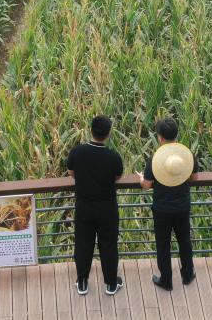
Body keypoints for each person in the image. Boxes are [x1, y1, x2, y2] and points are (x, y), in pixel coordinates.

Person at [67, 115, 125, 296]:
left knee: (83, 244)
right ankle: (111, 284)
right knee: (108, 245)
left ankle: (82, 282)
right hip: (107, 207)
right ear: (108, 134)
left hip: (84, 206)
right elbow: (117, 176)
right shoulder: (113, 156)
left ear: (90, 130)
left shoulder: (77, 152)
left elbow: (71, 172)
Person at [138, 117, 198, 291]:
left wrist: (141, 178)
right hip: (182, 206)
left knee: (163, 245)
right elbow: (194, 177)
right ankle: (188, 275)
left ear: (160, 138)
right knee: (184, 241)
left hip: (162, 209)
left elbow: (146, 185)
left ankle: (166, 280)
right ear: (176, 135)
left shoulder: (155, 159)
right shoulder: (187, 154)